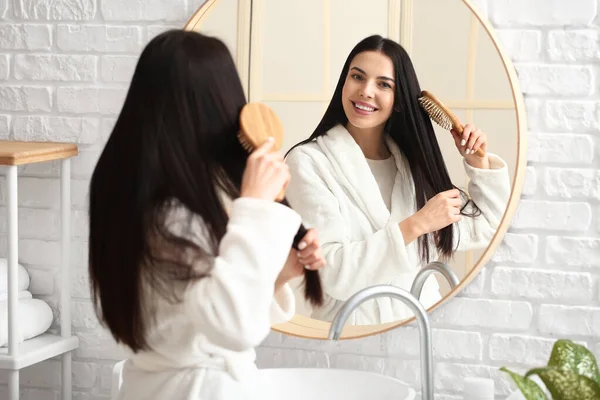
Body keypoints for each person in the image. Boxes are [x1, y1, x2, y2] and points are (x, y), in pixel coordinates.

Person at [87, 29, 326, 400]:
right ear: (216, 107)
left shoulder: (140, 199)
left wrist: (278, 276)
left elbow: (206, 314)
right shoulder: (172, 217)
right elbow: (234, 327)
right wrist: (256, 208)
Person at [285, 34, 511, 325]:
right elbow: (331, 273)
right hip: (351, 333)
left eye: (383, 84)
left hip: (417, 325)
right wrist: (416, 225)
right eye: (357, 77)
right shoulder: (309, 162)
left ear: (400, 100)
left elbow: (490, 225)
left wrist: (477, 161)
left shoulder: (412, 166)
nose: (366, 91)